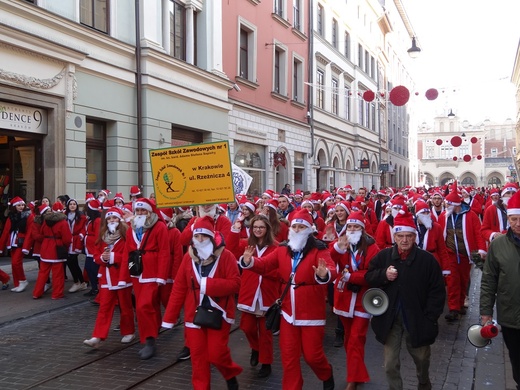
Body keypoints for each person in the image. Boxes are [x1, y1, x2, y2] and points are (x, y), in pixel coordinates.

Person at [240, 209, 337, 390]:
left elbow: (331, 269)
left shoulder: (319, 249)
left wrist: (325, 274)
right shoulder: (283, 249)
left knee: (312, 356)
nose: (298, 230)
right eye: (295, 226)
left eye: (302, 227)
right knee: (289, 356)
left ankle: (326, 373)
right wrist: (250, 262)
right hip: (287, 313)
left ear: (309, 229)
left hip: (311, 312)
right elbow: (265, 264)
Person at [365, 209, 446, 390]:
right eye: (400, 236)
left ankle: (423, 382)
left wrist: (430, 317)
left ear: (414, 237)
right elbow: (369, 276)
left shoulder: (427, 260)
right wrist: (383, 275)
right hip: (390, 318)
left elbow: (437, 291)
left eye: (408, 236)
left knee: (422, 358)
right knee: (390, 363)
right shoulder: (384, 257)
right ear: (394, 237)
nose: (404, 240)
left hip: (417, 318)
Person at [161, 216, 242, 390]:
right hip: (193, 314)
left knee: (216, 354)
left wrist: (208, 285)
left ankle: (229, 373)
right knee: (198, 357)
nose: (199, 240)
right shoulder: (188, 258)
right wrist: (170, 317)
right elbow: (179, 288)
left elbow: (235, 283)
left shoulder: (225, 256)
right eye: (196, 237)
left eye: (203, 236)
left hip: (219, 312)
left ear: (211, 237)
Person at [330, 211, 380, 389]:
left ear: (363, 229)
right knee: (348, 339)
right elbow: (328, 260)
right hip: (343, 298)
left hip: (362, 300)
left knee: (356, 338)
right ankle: (358, 372)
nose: (352, 229)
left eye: (356, 226)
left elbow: (372, 274)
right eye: (349, 226)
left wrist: (351, 277)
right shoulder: (341, 244)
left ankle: (353, 378)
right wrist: (337, 248)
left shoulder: (372, 248)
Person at [228, 214, 279, 378]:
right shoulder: (246, 244)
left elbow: (280, 270)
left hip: (267, 293)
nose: (258, 230)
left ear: (267, 229)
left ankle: (266, 362)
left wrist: (262, 269)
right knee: (247, 327)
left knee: (266, 332)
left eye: (261, 227)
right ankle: (255, 348)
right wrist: (235, 230)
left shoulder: (276, 247)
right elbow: (230, 250)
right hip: (249, 293)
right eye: (255, 227)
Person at [119, 198, 170, 360]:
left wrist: (162, 276)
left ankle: (149, 341)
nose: (140, 213)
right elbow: (127, 253)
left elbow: (164, 252)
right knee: (149, 307)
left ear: (150, 212)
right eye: (138, 211)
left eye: (143, 210)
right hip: (137, 272)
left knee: (143, 307)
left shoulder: (159, 227)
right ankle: (151, 334)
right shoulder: (130, 230)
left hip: (152, 272)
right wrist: (123, 277)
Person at [480, 189, 520, 390]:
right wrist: (486, 312)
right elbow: (488, 280)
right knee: (517, 362)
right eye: (513, 219)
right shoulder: (498, 246)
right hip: (510, 315)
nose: (518, 224)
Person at [83, 207, 135, 348]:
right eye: (110, 218)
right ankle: (98, 336)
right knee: (104, 307)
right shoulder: (102, 237)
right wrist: (102, 258)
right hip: (106, 277)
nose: (112, 220)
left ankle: (129, 331)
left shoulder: (126, 235)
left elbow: (129, 255)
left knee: (125, 306)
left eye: (115, 218)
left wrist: (112, 257)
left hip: (121, 276)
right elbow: (95, 256)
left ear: (120, 220)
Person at [439, 182, 486, 321]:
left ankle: (460, 304)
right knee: (453, 281)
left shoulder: (470, 216)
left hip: (466, 254)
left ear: (455, 205)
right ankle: (453, 308)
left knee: (463, 280)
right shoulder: (444, 216)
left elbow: (478, 233)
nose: (446, 206)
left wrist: (482, 249)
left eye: (448, 204)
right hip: (450, 254)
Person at [33, 202, 73, 299]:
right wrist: (66, 248)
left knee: (43, 273)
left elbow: (41, 233)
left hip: (45, 247)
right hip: (57, 248)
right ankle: (57, 294)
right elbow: (67, 239)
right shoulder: (63, 222)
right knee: (58, 274)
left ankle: (37, 293)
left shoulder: (46, 221)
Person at [0, 196, 33, 292]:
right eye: (19, 205)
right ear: (14, 207)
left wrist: (26, 247)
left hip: (21, 243)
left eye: (22, 205)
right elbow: (6, 232)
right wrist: (1, 246)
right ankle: (17, 283)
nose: (21, 207)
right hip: (13, 242)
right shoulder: (11, 217)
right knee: (13, 264)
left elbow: (30, 233)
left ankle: (23, 280)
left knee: (16, 262)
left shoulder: (29, 216)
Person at [65, 198, 88, 292]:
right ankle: (81, 282)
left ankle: (77, 282)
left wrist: (81, 235)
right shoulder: (64, 216)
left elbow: (84, 227)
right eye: (70, 204)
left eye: (74, 204)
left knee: (72, 261)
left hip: (76, 241)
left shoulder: (81, 217)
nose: (72, 205)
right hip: (67, 241)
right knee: (70, 262)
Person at [83, 199, 102, 297]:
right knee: (88, 268)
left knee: (93, 269)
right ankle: (94, 288)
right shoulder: (90, 219)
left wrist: (95, 247)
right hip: (89, 249)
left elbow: (97, 235)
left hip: (93, 249)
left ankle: (97, 288)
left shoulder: (97, 220)